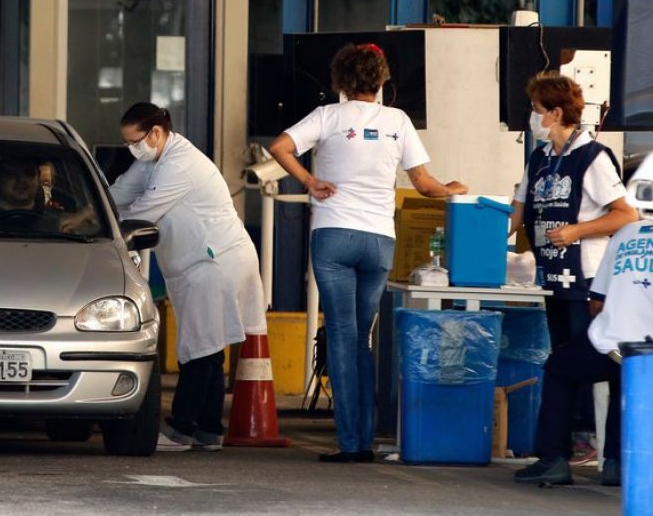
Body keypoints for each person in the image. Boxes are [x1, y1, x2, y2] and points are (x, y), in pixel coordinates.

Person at [268, 42, 467, 462]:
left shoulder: (328, 116)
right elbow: (424, 183)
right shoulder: (398, 121)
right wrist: (453, 189)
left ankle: (351, 442)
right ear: (381, 80)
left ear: (340, 79)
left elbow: (280, 147)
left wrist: (310, 181)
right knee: (363, 338)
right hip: (379, 241)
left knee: (341, 335)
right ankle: (366, 438)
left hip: (334, 236)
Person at [515, 152, 653, 487]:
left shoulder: (624, 236)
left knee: (560, 367)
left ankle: (553, 458)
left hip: (611, 343)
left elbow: (596, 303)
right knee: (628, 377)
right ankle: (617, 463)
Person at [508, 73, 637, 462]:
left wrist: (577, 231)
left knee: (582, 359)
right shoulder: (539, 159)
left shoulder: (592, 157)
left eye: (536, 109)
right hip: (552, 277)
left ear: (556, 113)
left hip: (587, 279)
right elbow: (516, 212)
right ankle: (562, 446)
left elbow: (626, 215)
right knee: (561, 355)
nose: (532, 116)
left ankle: (584, 437)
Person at [110, 103, 267, 339]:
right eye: (127, 144)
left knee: (207, 348)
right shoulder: (151, 159)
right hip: (194, 266)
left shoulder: (179, 164)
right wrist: (85, 211)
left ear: (155, 133)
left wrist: (96, 225)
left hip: (214, 262)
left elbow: (140, 213)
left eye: (135, 142)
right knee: (202, 345)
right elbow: (119, 192)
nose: (132, 149)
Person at [153, 203, 245, 452]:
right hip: (207, 272)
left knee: (198, 355)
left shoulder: (160, 193)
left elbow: (133, 213)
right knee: (210, 353)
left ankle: (180, 429)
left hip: (198, 277)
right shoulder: (183, 198)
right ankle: (209, 429)